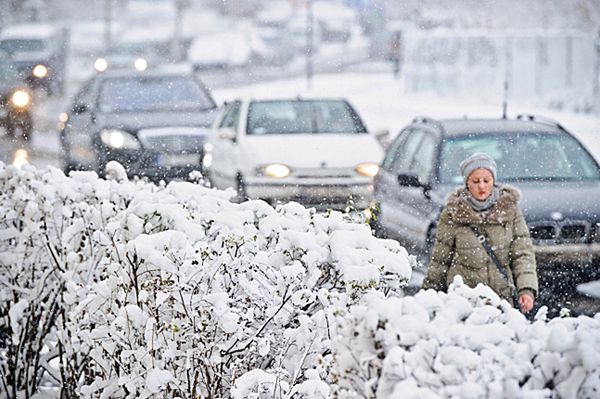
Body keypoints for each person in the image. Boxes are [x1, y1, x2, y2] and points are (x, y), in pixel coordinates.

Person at [422, 152, 538, 313]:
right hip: (463, 301)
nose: (482, 186)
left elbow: (522, 254)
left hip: (501, 300)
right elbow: (441, 260)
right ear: (467, 183)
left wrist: (526, 290)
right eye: (476, 181)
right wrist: (430, 293)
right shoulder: (453, 213)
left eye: (486, 180)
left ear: (494, 181)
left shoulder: (510, 210)